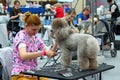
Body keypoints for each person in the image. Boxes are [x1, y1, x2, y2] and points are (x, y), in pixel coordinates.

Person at [11, 12, 56, 80]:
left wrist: (57, 42)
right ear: (26, 26)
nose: (36, 32)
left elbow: (49, 52)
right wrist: (43, 53)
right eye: (34, 30)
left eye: (38, 30)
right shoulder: (21, 37)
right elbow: (23, 56)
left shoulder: (35, 37)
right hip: (20, 74)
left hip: (33, 72)